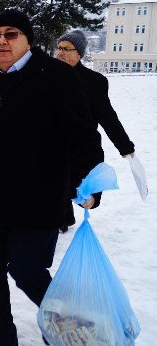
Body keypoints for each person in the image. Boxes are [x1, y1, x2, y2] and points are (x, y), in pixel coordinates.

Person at [0, 10, 104, 346]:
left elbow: (82, 134)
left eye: (11, 34)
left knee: (27, 270)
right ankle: (0, 341)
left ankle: (65, 322)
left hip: (38, 198)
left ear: (27, 40)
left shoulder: (56, 76)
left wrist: (91, 181)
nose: (2, 41)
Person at [55, 30, 135, 232]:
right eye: (59, 48)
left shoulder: (93, 81)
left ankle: (70, 211)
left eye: (66, 49)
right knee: (55, 179)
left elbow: (107, 116)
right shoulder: (48, 76)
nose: (60, 53)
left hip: (82, 145)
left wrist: (125, 146)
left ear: (79, 54)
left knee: (77, 180)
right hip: (53, 142)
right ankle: (62, 219)